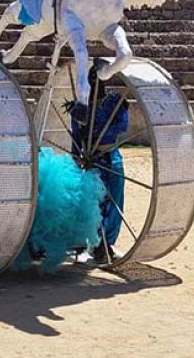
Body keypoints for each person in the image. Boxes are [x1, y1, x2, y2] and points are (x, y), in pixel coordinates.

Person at [69, 67, 129, 262]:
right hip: (93, 160)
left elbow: (122, 126)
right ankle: (96, 244)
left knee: (115, 202)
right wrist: (76, 157)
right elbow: (76, 136)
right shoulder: (80, 108)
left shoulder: (114, 103)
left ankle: (107, 242)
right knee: (95, 203)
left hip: (112, 158)